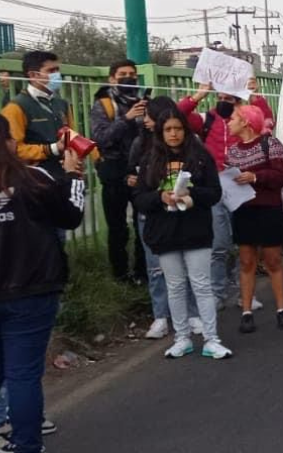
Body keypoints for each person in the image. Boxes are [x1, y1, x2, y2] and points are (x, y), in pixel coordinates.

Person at [0, 114, 84, 453]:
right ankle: (27, 444)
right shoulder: (33, 178)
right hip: (33, 290)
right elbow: (71, 215)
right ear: (7, 142)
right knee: (22, 375)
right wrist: (74, 174)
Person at [133, 110, 231, 360]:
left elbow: (214, 193)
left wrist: (192, 196)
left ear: (186, 131)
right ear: (160, 132)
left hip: (195, 230)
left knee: (201, 285)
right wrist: (160, 197)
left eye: (178, 129)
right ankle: (182, 338)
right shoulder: (149, 160)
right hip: (165, 232)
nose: (173, 134)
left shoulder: (200, 157)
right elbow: (139, 198)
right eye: (168, 130)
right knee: (174, 286)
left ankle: (211, 339)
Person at [179, 80, 273, 311]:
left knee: (246, 244)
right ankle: (218, 293)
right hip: (215, 186)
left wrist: (256, 96)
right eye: (219, 98)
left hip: (242, 185)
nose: (223, 102)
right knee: (219, 244)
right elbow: (179, 115)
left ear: (238, 100)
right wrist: (198, 95)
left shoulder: (247, 120)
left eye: (228, 99)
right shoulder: (207, 119)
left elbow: (268, 121)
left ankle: (244, 294)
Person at [127, 97, 200, 341]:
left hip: (181, 214)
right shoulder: (141, 144)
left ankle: (192, 315)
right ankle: (161, 316)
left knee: (186, 267)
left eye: (149, 115)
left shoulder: (190, 147)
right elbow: (132, 177)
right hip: (152, 214)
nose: (145, 120)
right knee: (155, 268)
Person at [225, 105, 283, 334]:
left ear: (246, 121)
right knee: (246, 262)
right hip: (243, 211)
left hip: (269, 209)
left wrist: (256, 177)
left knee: (273, 261)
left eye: (233, 118)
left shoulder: (271, 144)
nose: (229, 122)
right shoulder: (232, 151)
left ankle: (282, 310)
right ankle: (246, 312)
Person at [89, 59, 147, 282]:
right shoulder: (103, 104)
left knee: (143, 221)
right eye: (123, 74)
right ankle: (120, 275)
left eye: (132, 74)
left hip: (139, 168)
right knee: (117, 226)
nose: (128, 77)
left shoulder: (142, 100)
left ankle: (143, 272)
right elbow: (101, 138)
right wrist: (127, 118)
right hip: (113, 169)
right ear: (112, 78)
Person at [0, 51, 75, 180]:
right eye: (51, 71)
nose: (57, 75)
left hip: (64, 174)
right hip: (34, 179)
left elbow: (71, 135)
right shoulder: (15, 107)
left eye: (57, 70)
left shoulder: (61, 103)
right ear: (33, 75)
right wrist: (53, 148)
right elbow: (14, 149)